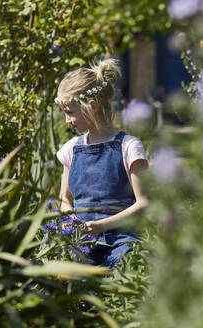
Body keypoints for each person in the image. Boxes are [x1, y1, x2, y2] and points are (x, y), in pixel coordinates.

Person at [54, 58, 148, 268]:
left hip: (121, 240)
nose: (67, 120)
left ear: (92, 106)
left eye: (70, 112)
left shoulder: (128, 147)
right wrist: (71, 222)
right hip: (82, 242)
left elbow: (144, 203)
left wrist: (100, 226)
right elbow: (65, 199)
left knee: (120, 268)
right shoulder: (71, 150)